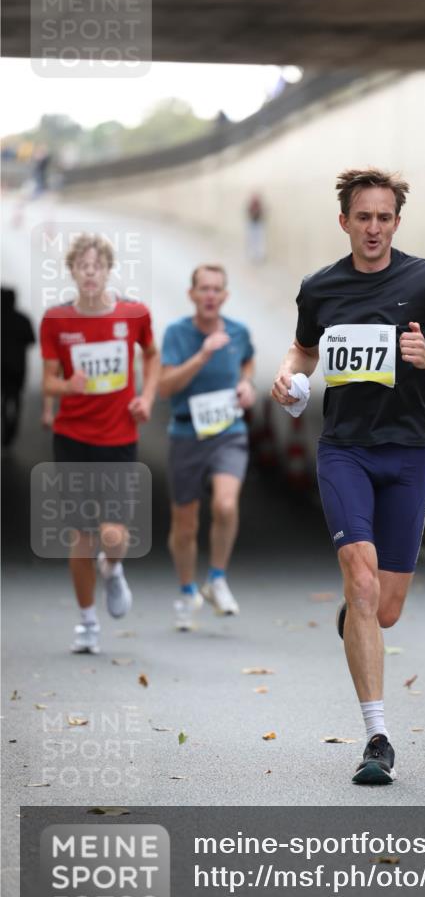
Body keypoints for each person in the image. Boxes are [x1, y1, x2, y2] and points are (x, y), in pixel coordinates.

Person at [272, 168, 425, 785]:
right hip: (345, 452)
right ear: (345, 222)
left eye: (384, 217)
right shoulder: (321, 287)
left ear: (396, 221)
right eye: (362, 217)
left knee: (383, 609)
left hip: (407, 453)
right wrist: (288, 376)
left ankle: (356, 619)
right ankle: (378, 738)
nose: (373, 228)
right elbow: (303, 349)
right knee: (360, 582)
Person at [40, 233, 159, 653]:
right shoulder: (56, 321)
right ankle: (87, 623)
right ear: (72, 272)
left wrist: (145, 397)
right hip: (71, 437)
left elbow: (151, 354)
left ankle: (113, 569)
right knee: (81, 536)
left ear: (108, 270)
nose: (90, 273)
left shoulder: (133, 314)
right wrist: (67, 385)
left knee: (111, 535)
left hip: (118, 436)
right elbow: (48, 380)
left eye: (97, 266)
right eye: (82, 266)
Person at [159, 264, 256, 630]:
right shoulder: (177, 334)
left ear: (225, 296)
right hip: (186, 433)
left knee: (226, 504)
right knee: (185, 525)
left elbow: (248, 360)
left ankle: (216, 578)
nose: (210, 295)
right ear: (192, 295)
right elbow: (165, 387)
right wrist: (202, 355)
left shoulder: (238, 332)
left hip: (228, 430)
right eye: (204, 289)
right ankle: (187, 592)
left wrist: (247, 384)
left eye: (217, 289)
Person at [1, 287, 36, 447]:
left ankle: (5, 428)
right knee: (15, 399)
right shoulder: (22, 319)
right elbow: (31, 340)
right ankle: (11, 430)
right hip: (17, 368)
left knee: (3, 400)